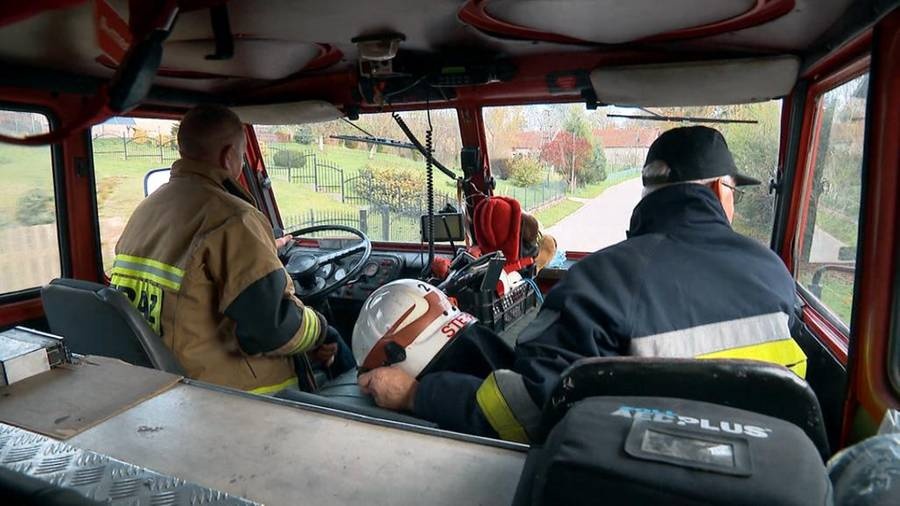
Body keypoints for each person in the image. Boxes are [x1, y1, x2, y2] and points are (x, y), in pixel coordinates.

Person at [358, 126, 808, 442]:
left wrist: (417, 394)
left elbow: (525, 411)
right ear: (716, 192)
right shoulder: (775, 272)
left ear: (649, 197)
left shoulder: (604, 279)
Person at [110, 104, 352, 394]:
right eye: (241, 154)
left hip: (165, 384)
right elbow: (271, 329)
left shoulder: (146, 210)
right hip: (236, 400)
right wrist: (321, 329)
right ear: (228, 156)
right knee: (332, 337)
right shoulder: (235, 219)